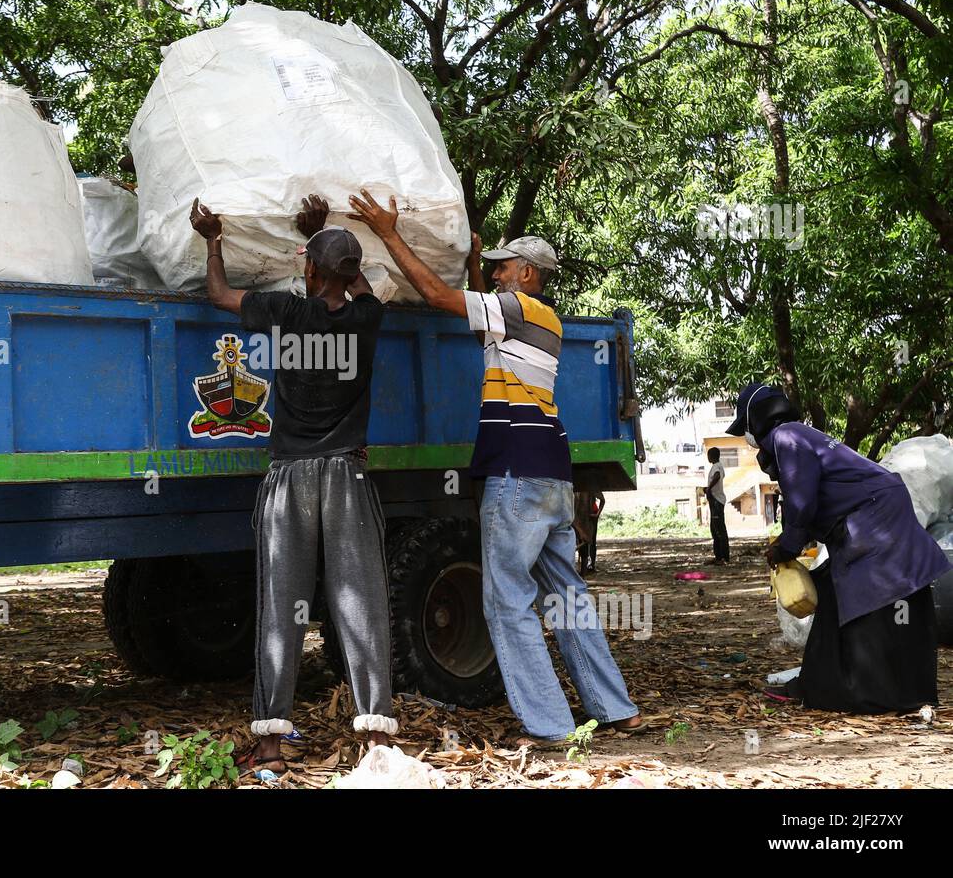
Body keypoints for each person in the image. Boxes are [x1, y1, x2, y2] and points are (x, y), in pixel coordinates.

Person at [348, 190, 640, 748]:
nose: (497, 272)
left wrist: (388, 232)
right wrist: (476, 259)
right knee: (568, 598)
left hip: (517, 475)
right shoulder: (540, 321)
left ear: (527, 274)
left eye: (504, 266)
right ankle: (615, 708)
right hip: (552, 473)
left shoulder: (517, 309)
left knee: (506, 601)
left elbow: (436, 295)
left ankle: (551, 726)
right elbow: (484, 322)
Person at [190, 194, 397, 773]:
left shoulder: (284, 312)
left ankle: (272, 747)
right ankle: (376, 739)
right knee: (360, 602)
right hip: (346, 478)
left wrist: (213, 238)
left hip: (289, 478)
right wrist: (325, 238)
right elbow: (356, 289)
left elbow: (218, 294)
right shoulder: (368, 319)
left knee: (282, 605)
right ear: (352, 274)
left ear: (308, 271)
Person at [726, 382, 950, 713]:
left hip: (872, 520)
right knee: (855, 595)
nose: (748, 440)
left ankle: (857, 691)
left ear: (756, 420)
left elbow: (802, 504)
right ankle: (850, 686)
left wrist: (786, 547)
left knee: (865, 598)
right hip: (881, 512)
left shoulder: (785, 437)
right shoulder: (801, 434)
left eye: (745, 430)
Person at [704, 447, 730, 564]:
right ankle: (718, 556)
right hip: (715, 500)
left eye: (709, 455)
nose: (708, 457)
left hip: (717, 501)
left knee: (719, 530)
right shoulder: (716, 466)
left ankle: (723, 557)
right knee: (715, 530)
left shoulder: (717, 467)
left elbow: (717, 476)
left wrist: (709, 489)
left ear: (712, 456)